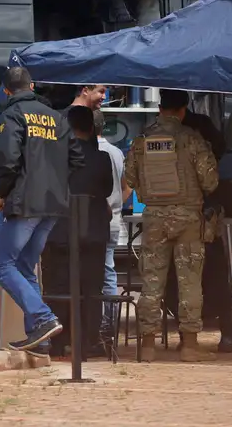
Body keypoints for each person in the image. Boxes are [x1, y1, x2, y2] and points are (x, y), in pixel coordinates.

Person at [0, 66, 85, 351]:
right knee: (25, 268)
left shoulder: (12, 115)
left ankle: (43, 318)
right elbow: (77, 160)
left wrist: (3, 193)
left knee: (0, 265)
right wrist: (54, 184)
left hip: (24, 203)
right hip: (53, 206)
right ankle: (39, 339)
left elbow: (9, 159)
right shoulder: (58, 118)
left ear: (7, 91)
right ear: (31, 86)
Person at [124, 88, 219, 362]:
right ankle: (189, 346)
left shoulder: (142, 140)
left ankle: (148, 347)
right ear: (182, 110)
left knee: (151, 282)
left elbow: (131, 177)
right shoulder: (191, 139)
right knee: (189, 282)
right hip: (188, 218)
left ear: (160, 108)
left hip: (154, 218)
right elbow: (210, 181)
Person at [163, 103, 232, 353]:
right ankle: (228, 336)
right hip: (202, 214)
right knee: (216, 274)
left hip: (166, 214)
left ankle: (183, 338)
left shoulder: (153, 134)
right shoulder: (199, 129)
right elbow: (211, 178)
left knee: (176, 277)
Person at [40, 105, 115, 357]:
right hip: (93, 231)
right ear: (91, 129)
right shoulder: (101, 158)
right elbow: (105, 190)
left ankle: (59, 341)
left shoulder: (53, 157)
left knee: (59, 286)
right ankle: (88, 341)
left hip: (59, 231)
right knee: (91, 288)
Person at [95, 110, 126, 340]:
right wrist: (116, 205)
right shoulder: (116, 152)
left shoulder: (87, 152)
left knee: (93, 272)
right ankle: (109, 325)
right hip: (114, 219)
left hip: (94, 220)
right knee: (108, 271)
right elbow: (128, 186)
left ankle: (98, 324)